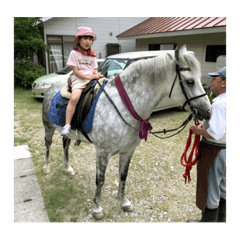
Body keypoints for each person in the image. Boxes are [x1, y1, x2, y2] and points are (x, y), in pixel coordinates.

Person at [188, 66, 227, 223]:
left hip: (215, 151)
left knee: (210, 187)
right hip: (227, 150)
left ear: (224, 83)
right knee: (224, 186)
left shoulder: (219, 104)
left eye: (214, 79)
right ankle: (222, 221)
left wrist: (198, 131)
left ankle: (207, 224)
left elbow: (214, 134)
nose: (210, 81)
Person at [61, 27, 103, 137]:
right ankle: (67, 125)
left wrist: (97, 75)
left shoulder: (92, 53)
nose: (88, 41)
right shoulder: (74, 53)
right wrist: (89, 78)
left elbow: (94, 68)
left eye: (90, 39)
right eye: (85, 38)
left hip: (92, 78)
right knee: (74, 98)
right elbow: (75, 72)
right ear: (78, 39)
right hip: (79, 79)